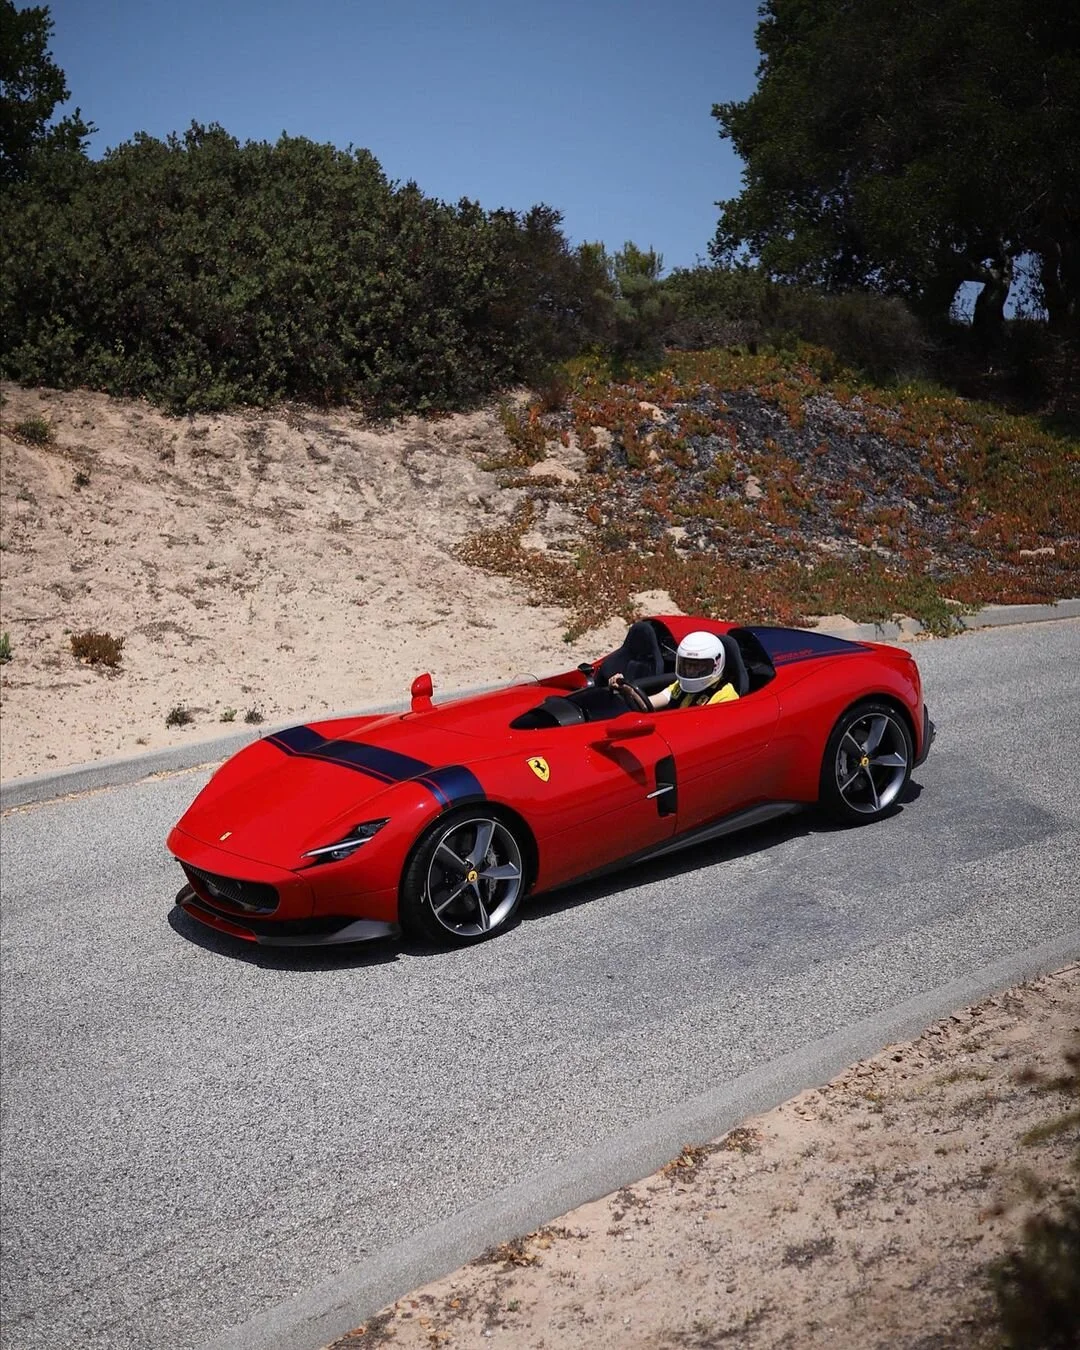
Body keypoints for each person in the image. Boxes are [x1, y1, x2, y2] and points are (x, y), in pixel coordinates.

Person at [610, 631, 738, 710]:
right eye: (687, 664)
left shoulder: (726, 697)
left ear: (715, 664)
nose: (691, 670)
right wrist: (627, 690)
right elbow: (648, 704)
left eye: (697, 666)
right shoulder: (680, 686)